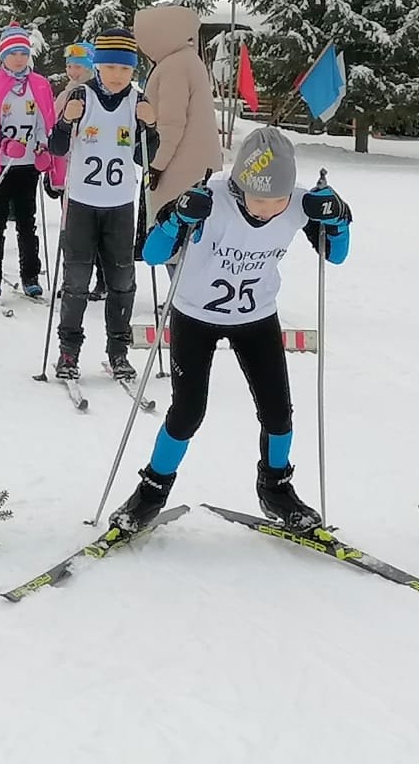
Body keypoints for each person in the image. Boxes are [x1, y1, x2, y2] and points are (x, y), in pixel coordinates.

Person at [110, 126, 352, 534]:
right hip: (194, 316)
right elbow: (152, 254)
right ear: (239, 188)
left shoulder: (300, 202)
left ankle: (276, 489)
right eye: (258, 200)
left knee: (278, 413)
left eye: (277, 202)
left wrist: (339, 220)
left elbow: (337, 256)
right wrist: (176, 221)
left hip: (256, 317)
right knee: (187, 413)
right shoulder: (210, 198)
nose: (266, 210)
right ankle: (150, 492)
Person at [49, 28, 159, 381]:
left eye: (125, 69)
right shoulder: (81, 95)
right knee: (76, 280)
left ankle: (119, 351)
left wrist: (151, 127)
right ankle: (68, 352)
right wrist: (67, 120)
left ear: (133, 72)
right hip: (82, 204)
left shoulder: (136, 101)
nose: (116, 75)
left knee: (122, 280)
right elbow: (56, 148)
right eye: (110, 67)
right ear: (98, 66)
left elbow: (147, 156)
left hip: (120, 206)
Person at [0, 23, 58, 299]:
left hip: (28, 164)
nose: (18, 58)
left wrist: (44, 146)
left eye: (23, 52)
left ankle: (30, 273)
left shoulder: (39, 85)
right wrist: (2, 144)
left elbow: (45, 119)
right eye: (13, 53)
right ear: (3, 56)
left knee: (26, 221)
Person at [133, 5, 223, 266]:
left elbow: (171, 123)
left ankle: (182, 299)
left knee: (175, 233)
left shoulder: (174, 66)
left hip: (179, 167)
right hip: (196, 166)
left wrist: (156, 164)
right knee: (193, 237)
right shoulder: (187, 60)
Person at [56, 41, 107, 299]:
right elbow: (56, 132)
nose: (73, 72)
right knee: (71, 230)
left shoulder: (96, 94)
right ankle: (73, 281)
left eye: (79, 66)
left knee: (96, 232)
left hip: (95, 172)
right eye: (69, 66)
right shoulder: (65, 95)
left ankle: (102, 280)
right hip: (70, 171)